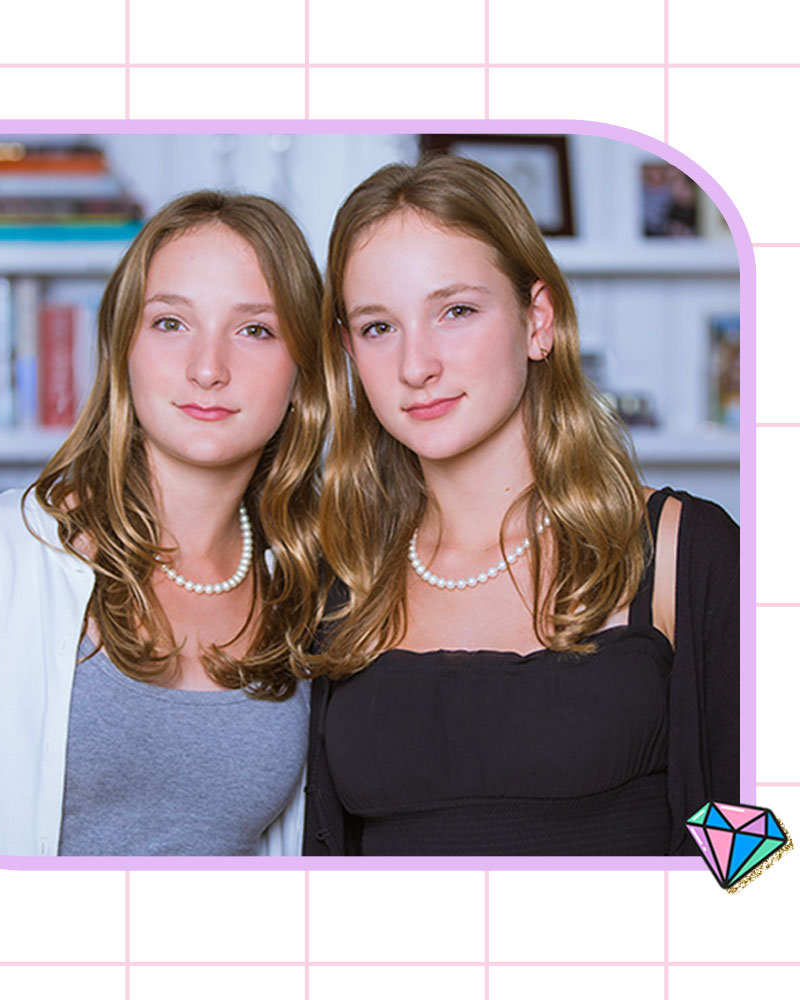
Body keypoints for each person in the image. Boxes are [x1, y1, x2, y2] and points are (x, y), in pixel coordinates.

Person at [0, 191, 327, 857]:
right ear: (123, 347)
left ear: (303, 370)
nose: (207, 368)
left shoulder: (309, 583)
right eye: (171, 323)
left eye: (255, 329)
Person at [304, 156, 739, 856]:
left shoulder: (682, 552)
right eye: (378, 327)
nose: (416, 366)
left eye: (456, 311)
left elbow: (756, 843)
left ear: (539, 320)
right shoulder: (343, 578)